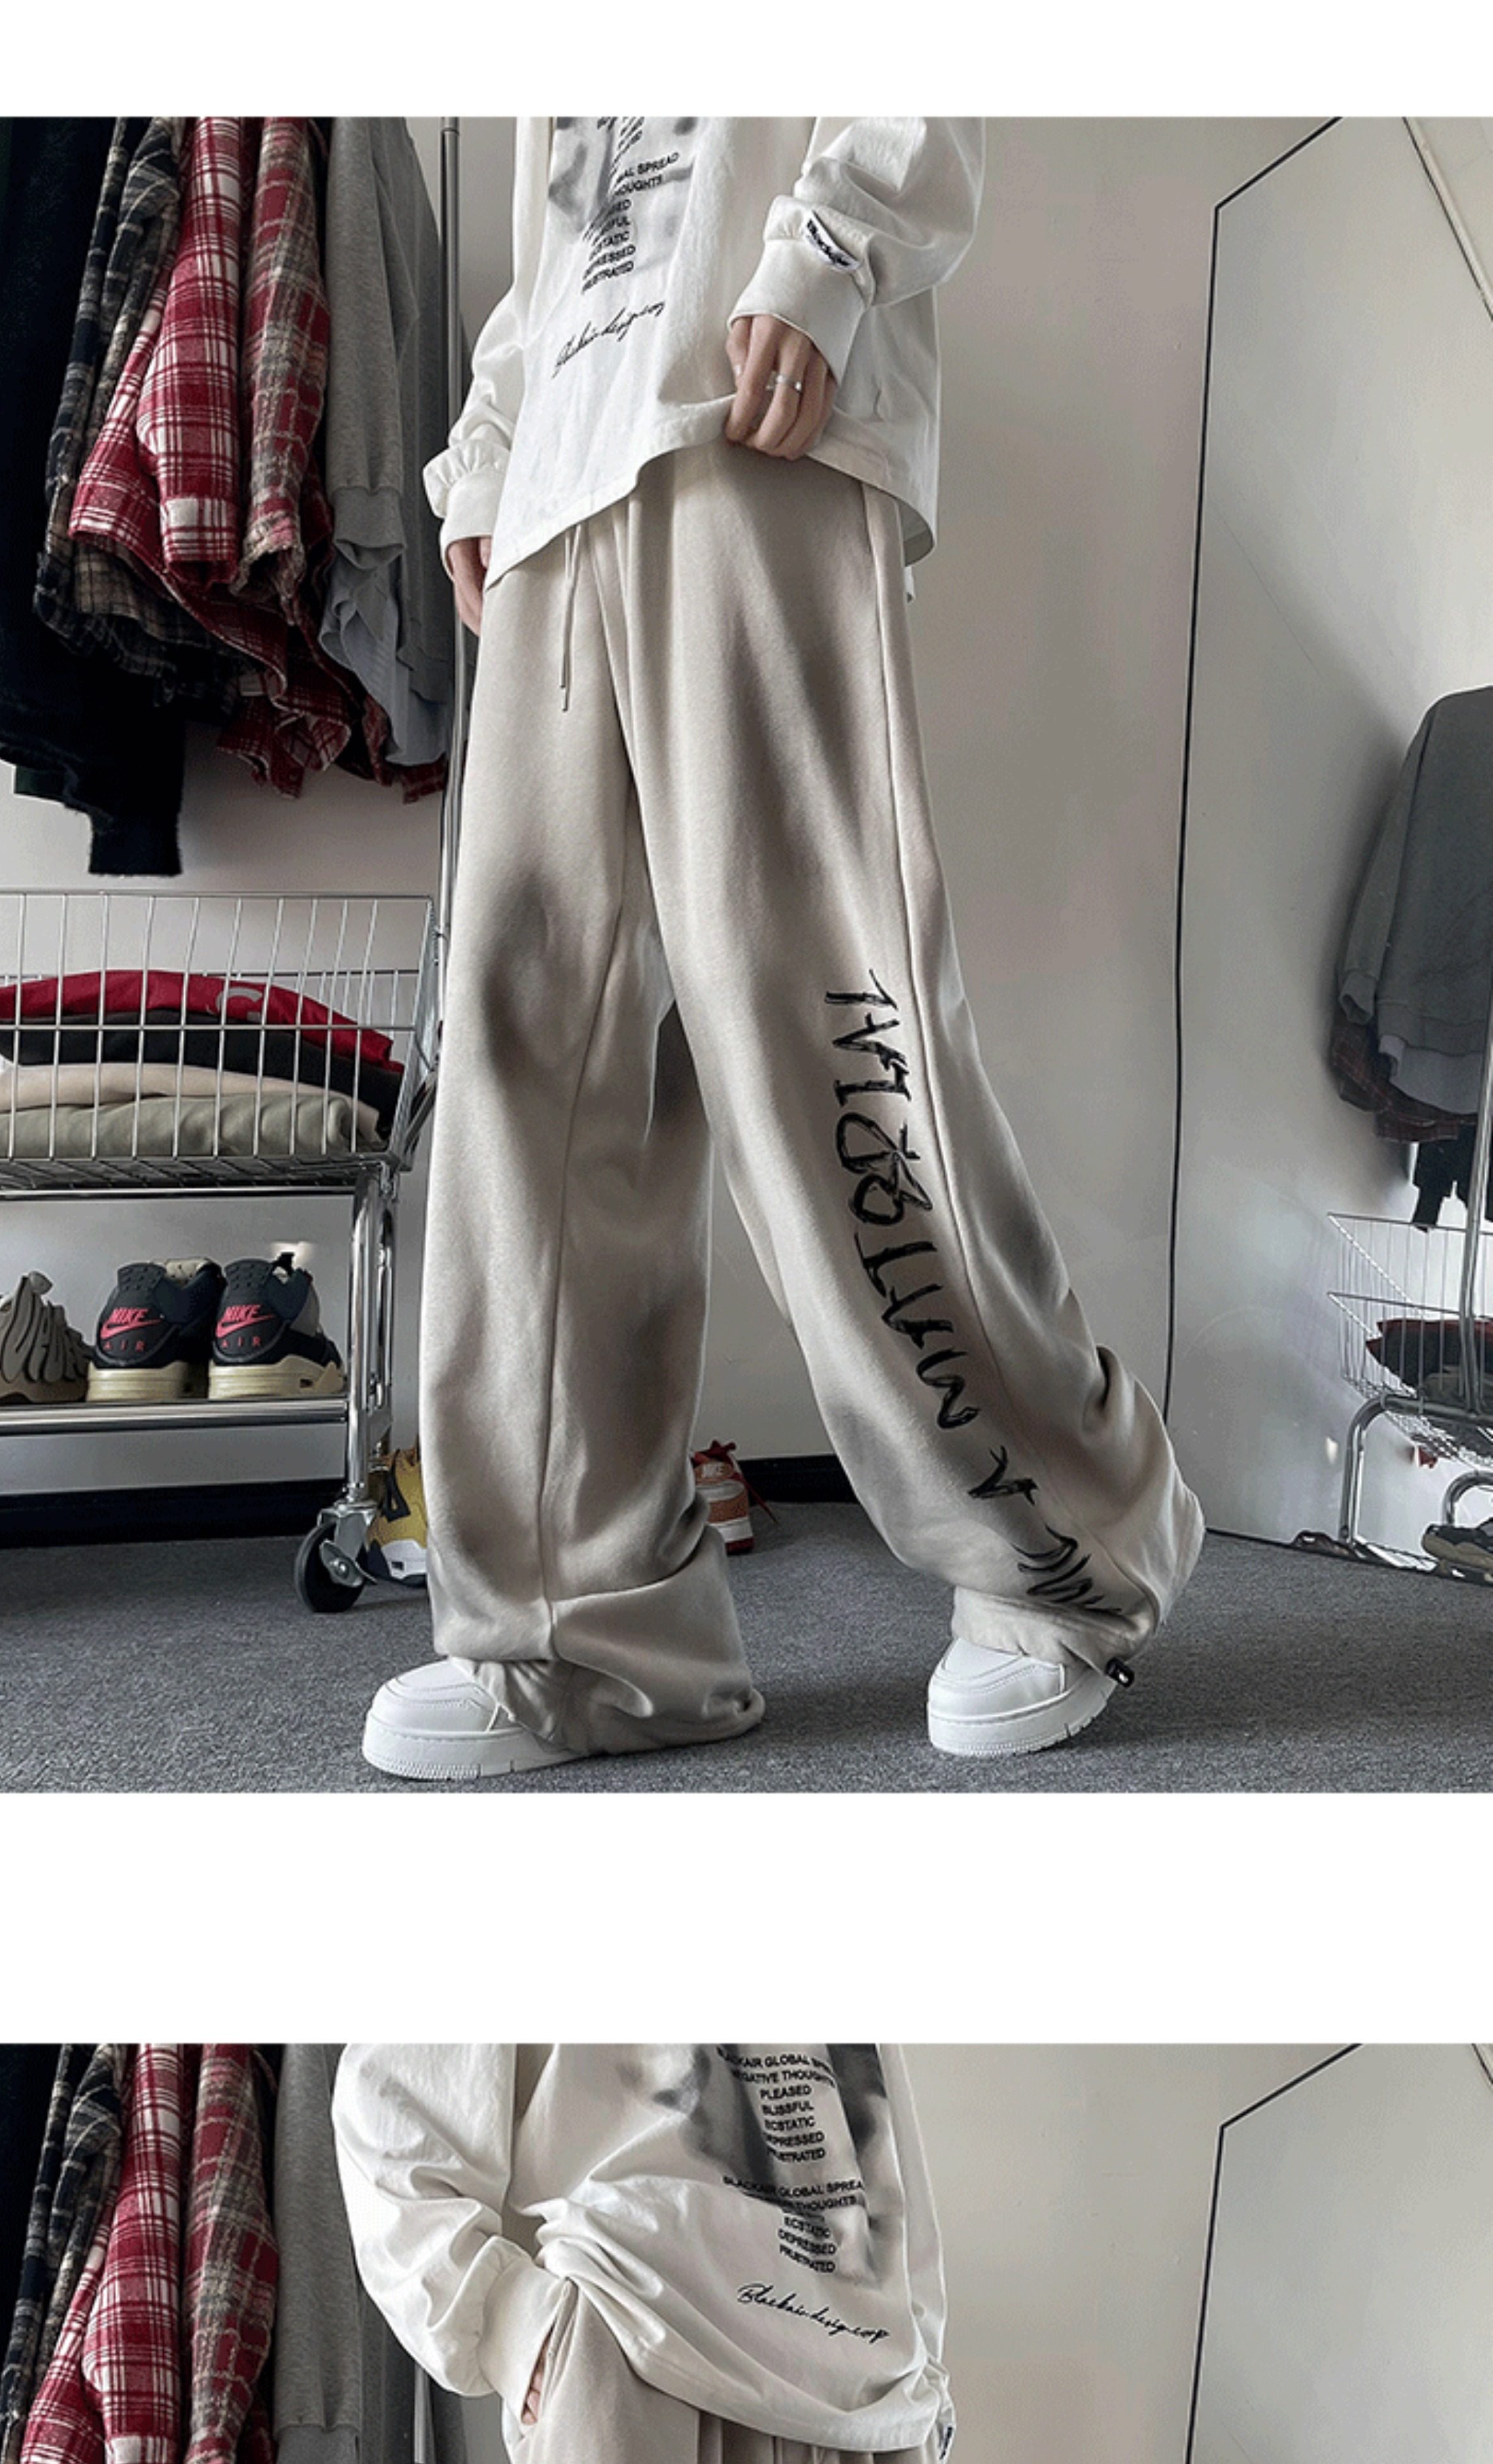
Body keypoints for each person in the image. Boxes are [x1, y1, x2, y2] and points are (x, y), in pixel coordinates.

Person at [361, 117, 1204, 1782]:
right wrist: (491, 437)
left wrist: (829, 249)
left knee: (816, 1014)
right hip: (557, 478)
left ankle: (1061, 1551)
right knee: (529, 1050)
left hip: (752, 405)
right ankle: (577, 1633)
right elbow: (569, 206)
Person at [332, 2042, 956, 2464]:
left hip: (874, 2403)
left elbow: (883, 2136)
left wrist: (924, 2366)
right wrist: (510, 2322)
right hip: (638, 2352)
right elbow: (392, 2104)